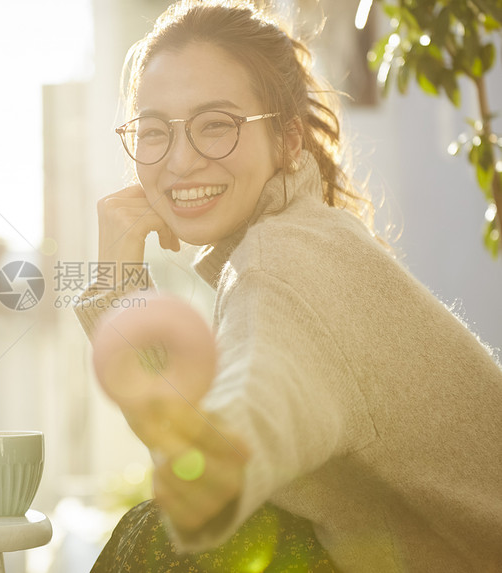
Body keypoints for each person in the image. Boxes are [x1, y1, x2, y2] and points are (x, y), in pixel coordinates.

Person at [73, 1, 502, 571]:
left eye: (216, 125)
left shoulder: (283, 256)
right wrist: (117, 286)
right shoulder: (300, 237)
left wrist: (220, 462)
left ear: (288, 139)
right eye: (155, 132)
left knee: (157, 535)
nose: (180, 160)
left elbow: (268, 390)